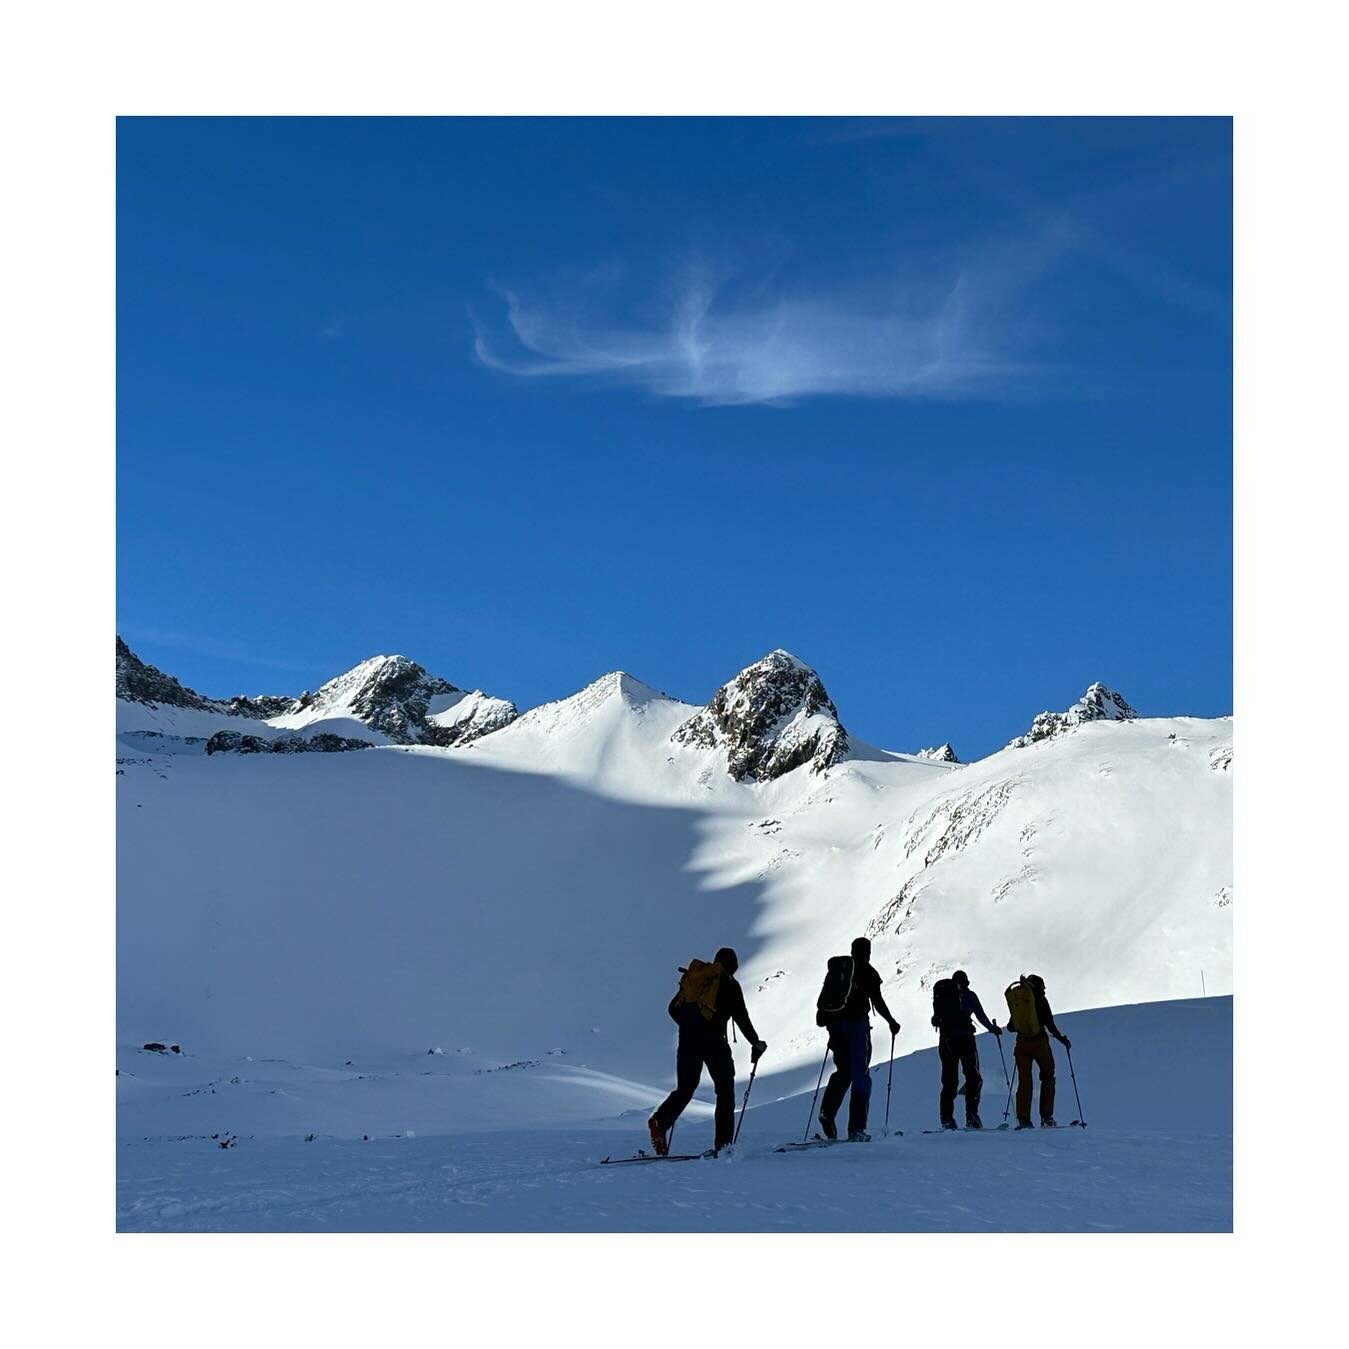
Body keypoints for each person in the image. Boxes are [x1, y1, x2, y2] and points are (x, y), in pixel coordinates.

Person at [648, 947, 766, 1156]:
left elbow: (672, 1009)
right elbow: (741, 1017)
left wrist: (688, 1026)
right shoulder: (729, 984)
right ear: (733, 966)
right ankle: (723, 1145)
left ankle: (660, 1121)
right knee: (725, 1090)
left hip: (687, 1041)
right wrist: (755, 1042)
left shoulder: (696, 980)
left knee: (685, 1088)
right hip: (714, 1042)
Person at [816, 936, 901, 1142]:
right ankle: (856, 1129)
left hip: (835, 1026)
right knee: (860, 1073)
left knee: (843, 1071)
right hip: (856, 1026)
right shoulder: (868, 972)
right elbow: (877, 1000)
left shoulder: (839, 970)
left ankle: (827, 1112)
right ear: (868, 952)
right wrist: (891, 1020)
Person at [931, 969, 1001, 1129]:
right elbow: (980, 1015)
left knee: (949, 1080)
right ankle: (972, 1116)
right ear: (966, 982)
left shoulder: (943, 995)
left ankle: (947, 1118)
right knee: (973, 1077)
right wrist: (992, 1029)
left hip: (946, 1038)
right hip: (966, 1039)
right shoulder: (969, 996)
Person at [1008, 973, 1071, 1128]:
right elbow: (1049, 1023)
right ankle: (1046, 1117)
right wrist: (1062, 1039)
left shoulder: (1021, 999)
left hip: (1021, 1044)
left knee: (1024, 1081)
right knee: (1048, 1076)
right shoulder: (1040, 998)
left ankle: (1023, 1120)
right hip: (1039, 1042)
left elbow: (1010, 1027)